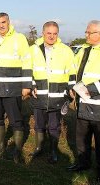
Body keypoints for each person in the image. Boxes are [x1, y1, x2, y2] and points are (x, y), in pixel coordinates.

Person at [0, 12, 32, 163]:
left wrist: (26, 86)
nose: (1, 25)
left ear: (9, 22)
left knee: (15, 120)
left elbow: (27, 62)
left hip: (13, 88)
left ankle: (17, 149)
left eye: (3, 22)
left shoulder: (19, 38)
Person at [67, 20, 100, 184]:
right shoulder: (83, 50)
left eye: (89, 32)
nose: (85, 35)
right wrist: (73, 86)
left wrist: (90, 89)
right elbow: (73, 69)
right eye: (86, 32)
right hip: (82, 103)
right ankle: (83, 163)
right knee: (81, 137)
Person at [29, 21, 76, 163]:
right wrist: (31, 85)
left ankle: (54, 151)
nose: (51, 36)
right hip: (39, 95)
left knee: (54, 126)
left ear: (58, 34)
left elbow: (72, 72)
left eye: (55, 33)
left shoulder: (66, 50)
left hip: (57, 96)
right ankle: (39, 148)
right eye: (48, 33)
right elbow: (27, 70)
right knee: (39, 124)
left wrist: (71, 89)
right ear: (43, 33)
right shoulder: (33, 49)